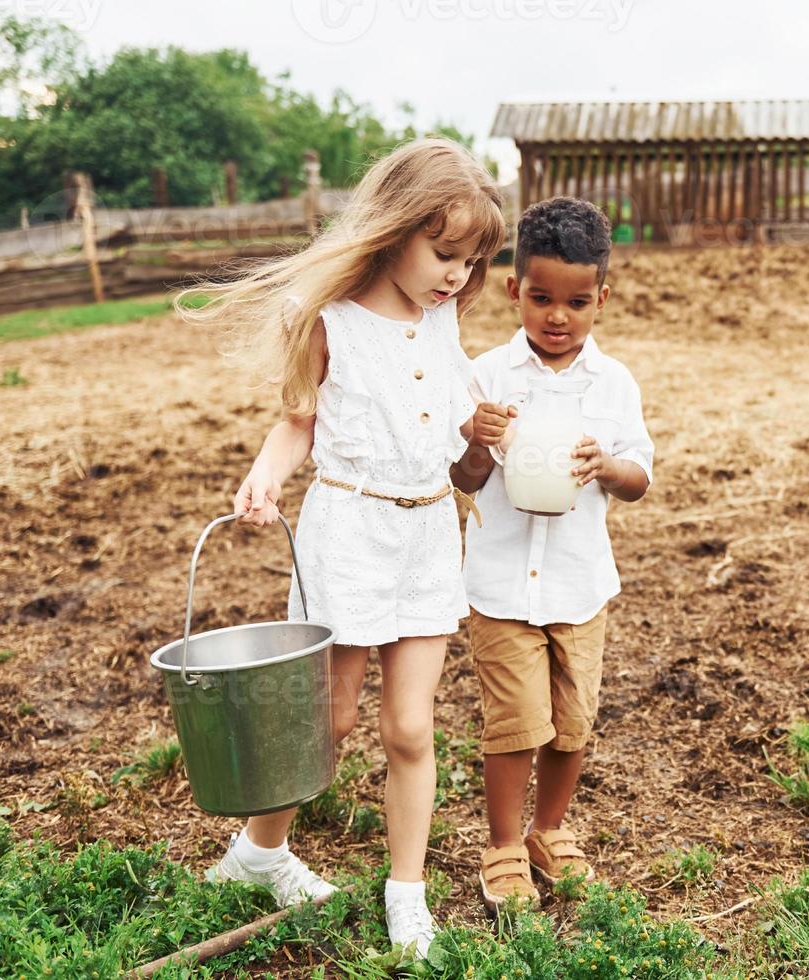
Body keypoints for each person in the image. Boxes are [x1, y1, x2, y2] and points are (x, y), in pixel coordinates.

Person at [179, 138, 506, 957]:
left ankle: (407, 894)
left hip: (431, 531)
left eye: (469, 261)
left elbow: (446, 413)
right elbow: (297, 420)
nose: (455, 275)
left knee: (411, 727)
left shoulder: (439, 319)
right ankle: (260, 851)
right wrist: (265, 478)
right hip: (351, 532)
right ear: (394, 229)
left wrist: (485, 429)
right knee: (329, 715)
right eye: (443, 253)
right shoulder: (329, 321)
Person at [451, 197, 654, 913]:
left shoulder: (614, 385)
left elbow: (640, 478)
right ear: (514, 291)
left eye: (576, 301)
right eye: (541, 298)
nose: (557, 317)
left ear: (603, 297)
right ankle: (504, 842)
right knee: (516, 720)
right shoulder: (487, 377)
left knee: (572, 722)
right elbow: (464, 480)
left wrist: (607, 466)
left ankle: (549, 830)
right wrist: (476, 438)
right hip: (501, 583)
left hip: (578, 585)